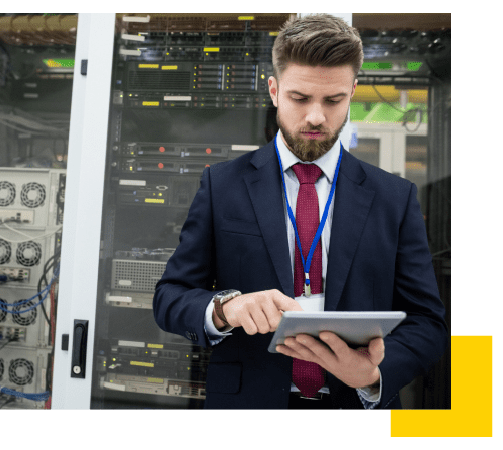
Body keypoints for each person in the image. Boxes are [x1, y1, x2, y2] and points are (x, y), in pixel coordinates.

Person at [153, 14, 448, 409]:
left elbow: (428, 323)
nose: (315, 117)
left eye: (333, 100)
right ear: (274, 90)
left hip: (356, 409)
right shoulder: (222, 185)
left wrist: (373, 376)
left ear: (353, 92)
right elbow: (170, 298)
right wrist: (226, 308)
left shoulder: (394, 197)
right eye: (300, 98)